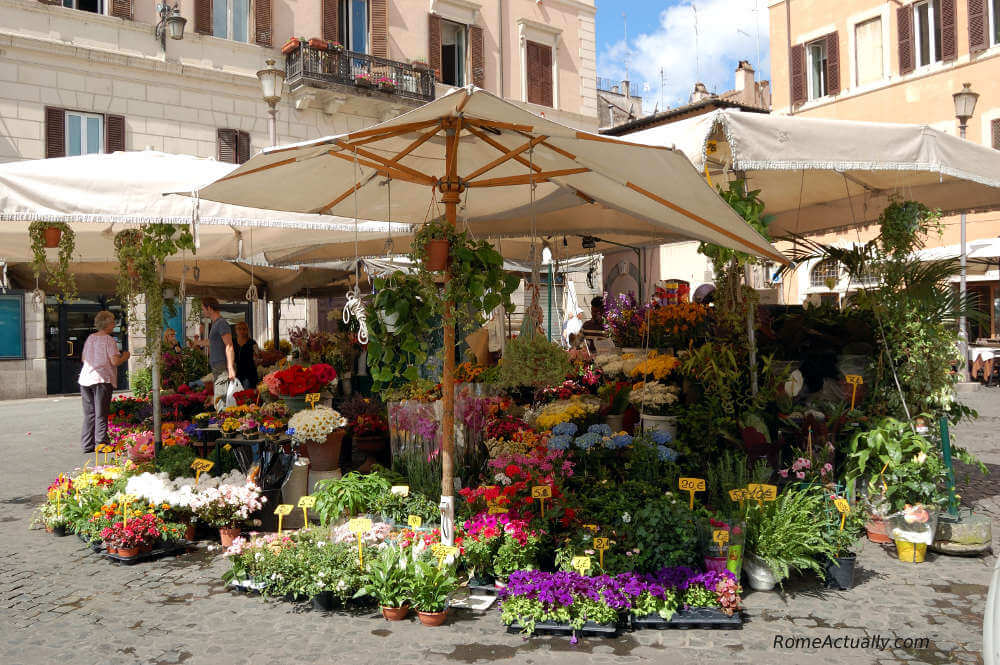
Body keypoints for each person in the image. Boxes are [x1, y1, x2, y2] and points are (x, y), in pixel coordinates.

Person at [78, 311, 130, 453]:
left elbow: (84, 359)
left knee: (90, 413)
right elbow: (115, 361)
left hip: (85, 379)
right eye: (113, 322)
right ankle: (101, 443)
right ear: (107, 324)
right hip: (102, 379)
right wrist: (125, 356)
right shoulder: (108, 340)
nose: (114, 325)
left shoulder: (90, 338)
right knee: (101, 412)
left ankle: (87, 444)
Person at [201, 297, 236, 407]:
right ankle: (223, 419)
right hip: (217, 365)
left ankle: (226, 420)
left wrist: (230, 368)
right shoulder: (215, 323)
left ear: (210, 308)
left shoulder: (221, 323)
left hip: (222, 365)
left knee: (223, 397)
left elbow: (229, 345)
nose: (203, 312)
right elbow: (212, 342)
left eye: (203, 309)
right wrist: (197, 343)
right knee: (221, 396)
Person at [233, 321, 260, 390]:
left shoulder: (252, 343)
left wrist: (256, 359)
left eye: (244, 329)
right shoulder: (233, 342)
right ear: (236, 330)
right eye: (239, 329)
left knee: (249, 396)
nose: (241, 331)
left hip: (250, 375)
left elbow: (257, 357)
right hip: (236, 375)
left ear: (247, 330)